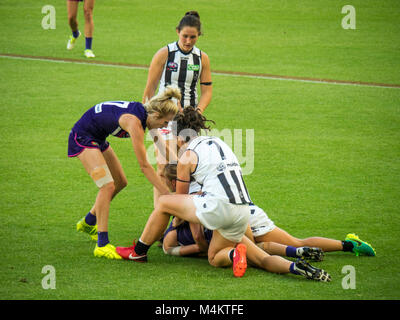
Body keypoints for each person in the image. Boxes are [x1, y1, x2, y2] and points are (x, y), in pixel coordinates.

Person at [116, 108, 331, 281]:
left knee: (164, 202)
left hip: (218, 208)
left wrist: (175, 230)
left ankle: (139, 251)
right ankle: (296, 267)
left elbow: (179, 202)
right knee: (248, 258)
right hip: (243, 210)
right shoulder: (220, 143)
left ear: (180, 135)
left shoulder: (187, 156)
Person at [161, 163, 376, 259]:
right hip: (247, 210)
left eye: (166, 182)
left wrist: (198, 248)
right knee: (289, 243)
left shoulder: (188, 198)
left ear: (173, 180)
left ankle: (342, 246)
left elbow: (198, 237)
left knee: (270, 249)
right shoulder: (201, 179)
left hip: (239, 217)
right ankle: (348, 245)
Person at [68, 86, 181, 259]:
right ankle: (102, 244)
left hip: (97, 138)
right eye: (165, 122)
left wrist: (181, 166)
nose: (165, 126)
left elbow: (162, 147)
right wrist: (166, 194)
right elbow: (144, 166)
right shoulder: (135, 123)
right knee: (106, 186)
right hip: (82, 138)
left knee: (121, 182)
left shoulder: (148, 117)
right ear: (157, 116)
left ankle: (89, 221)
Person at [141, 11, 213, 207]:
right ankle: (160, 215)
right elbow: (149, 89)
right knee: (164, 166)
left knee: (185, 167)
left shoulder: (202, 58)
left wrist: (198, 112)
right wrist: (148, 119)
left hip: (188, 120)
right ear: (177, 32)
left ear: (199, 35)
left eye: (193, 37)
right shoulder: (165, 54)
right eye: (185, 36)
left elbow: (207, 91)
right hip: (163, 118)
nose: (188, 41)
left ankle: (180, 216)